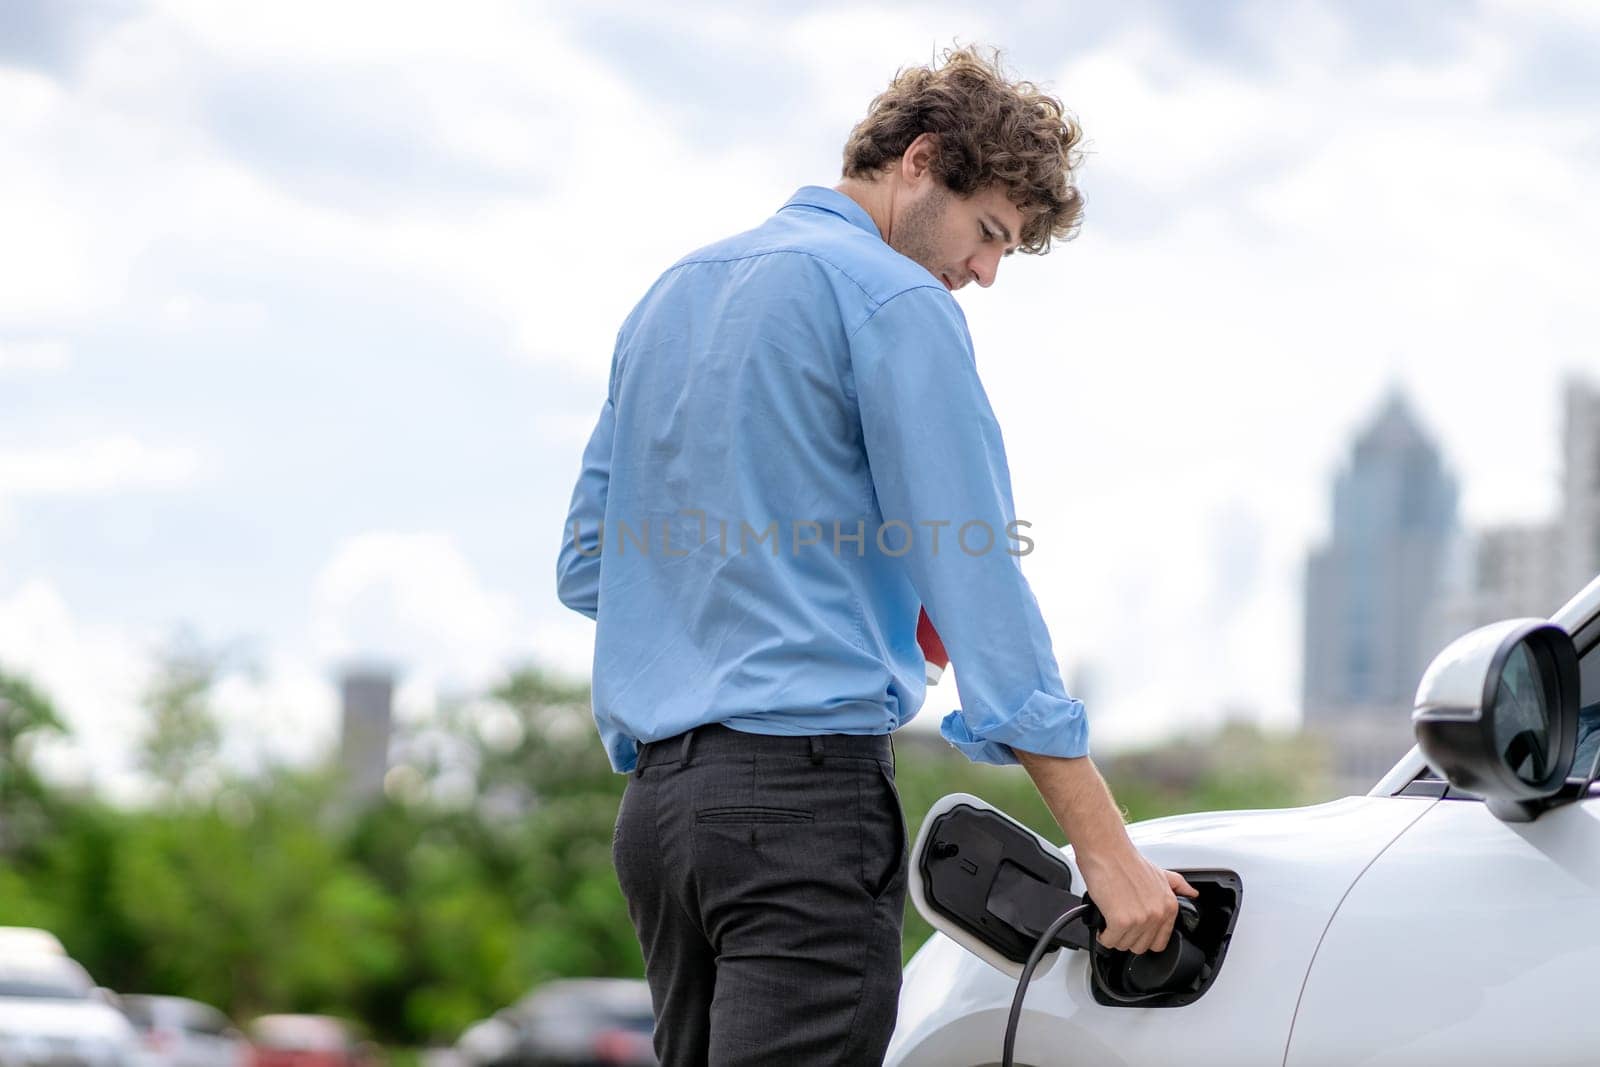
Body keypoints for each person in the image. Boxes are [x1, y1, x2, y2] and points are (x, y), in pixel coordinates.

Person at [556, 43, 1197, 1066]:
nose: (984, 271)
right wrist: (1105, 850)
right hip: (797, 811)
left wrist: (785, 590)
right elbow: (979, 585)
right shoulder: (897, 303)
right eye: (988, 231)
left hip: (661, 823)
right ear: (918, 159)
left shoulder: (669, 297)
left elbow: (589, 564)